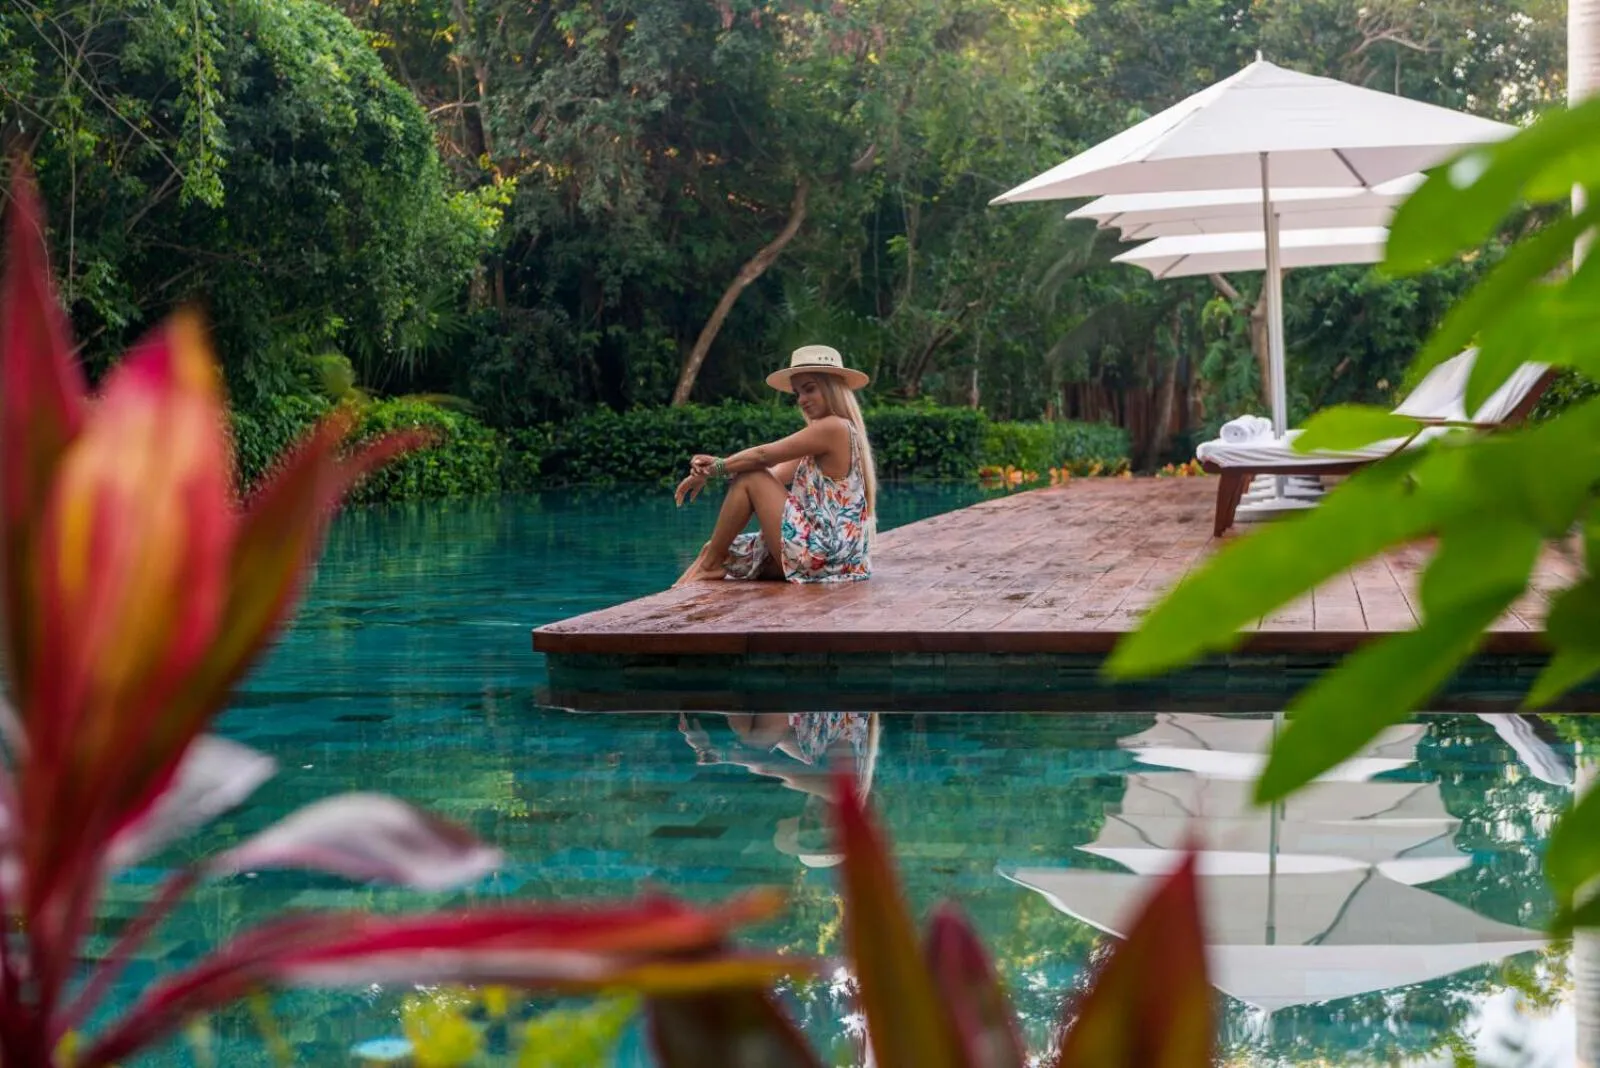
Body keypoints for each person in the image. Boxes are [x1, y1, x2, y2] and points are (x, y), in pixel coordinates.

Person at [673, 344, 877, 585]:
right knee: (717, 548)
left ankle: (709, 567)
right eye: (797, 393)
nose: (802, 400)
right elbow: (773, 475)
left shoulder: (833, 427)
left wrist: (716, 468)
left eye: (809, 389)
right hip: (831, 557)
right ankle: (685, 585)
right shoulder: (825, 436)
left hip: (824, 553)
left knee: (749, 482)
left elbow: (763, 456)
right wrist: (712, 471)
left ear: (832, 388)